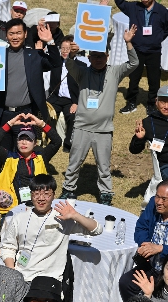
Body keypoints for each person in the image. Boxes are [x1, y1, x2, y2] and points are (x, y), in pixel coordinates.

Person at [59, 26, 139, 206]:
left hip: (103, 129)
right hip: (82, 126)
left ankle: (105, 193)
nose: (98, 59)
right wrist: (72, 53)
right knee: (74, 162)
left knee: (104, 165)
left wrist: (128, 43)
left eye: (101, 56)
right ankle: (68, 189)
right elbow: (69, 64)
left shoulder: (115, 72)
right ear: (89, 57)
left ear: (107, 56)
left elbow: (134, 63)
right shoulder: (82, 73)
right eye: (95, 56)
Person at [0, 175, 102, 283]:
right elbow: (7, 247)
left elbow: (96, 230)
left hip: (50, 280)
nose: (41, 198)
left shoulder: (62, 218)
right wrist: (13, 272)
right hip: (21, 277)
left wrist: (76, 215)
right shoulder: (19, 218)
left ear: (54, 196)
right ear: (31, 195)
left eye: (46, 194)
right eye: (36, 194)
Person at [0, 19, 61, 151]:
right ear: (6, 35)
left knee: (24, 153)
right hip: (3, 113)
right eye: (11, 33)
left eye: (18, 33)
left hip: (26, 114)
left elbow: (55, 64)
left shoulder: (35, 55)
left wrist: (50, 42)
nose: (15, 37)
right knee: (3, 154)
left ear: (25, 34)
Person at [0, 114, 61, 215]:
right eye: (21, 139)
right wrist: (10, 123)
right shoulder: (9, 158)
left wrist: (41, 124)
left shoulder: (41, 157)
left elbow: (57, 141)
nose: (24, 142)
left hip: (38, 204)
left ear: (35, 143)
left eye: (28, 139)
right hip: (14, 206)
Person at [118, 182, 168, 302]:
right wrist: (145, 245)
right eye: (157, 196)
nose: (159, 202)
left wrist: (160, 248)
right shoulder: (152, 204)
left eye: (164, 199)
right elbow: (141, 227)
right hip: (152, 265)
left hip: (166, 270)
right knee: (126, 283)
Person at [117, 0, 168, 115]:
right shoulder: (133, 7)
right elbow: (120, 2)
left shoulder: (161, 10)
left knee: (154, 79)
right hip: (137, 49)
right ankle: (131, 102)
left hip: (154, 50)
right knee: (134, 77)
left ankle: (152, 104)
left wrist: (158, 37)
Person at [46, 36, 81, 152]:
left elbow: (82, 87)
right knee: (46, 114)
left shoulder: (80, 65)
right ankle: (53, 140)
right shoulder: (55, 63)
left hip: (71, 100)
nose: (65, 51)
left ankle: (68, 144)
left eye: (68, 48)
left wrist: (76, 103)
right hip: (55, 98)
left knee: (72, 116)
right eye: (63, 48)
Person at [130, 86, 168, 180]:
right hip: (165, 165)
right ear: (156, 101)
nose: (166, 106)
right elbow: (134, 150)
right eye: (163, 102)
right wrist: (139, 138)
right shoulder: (148, 123)